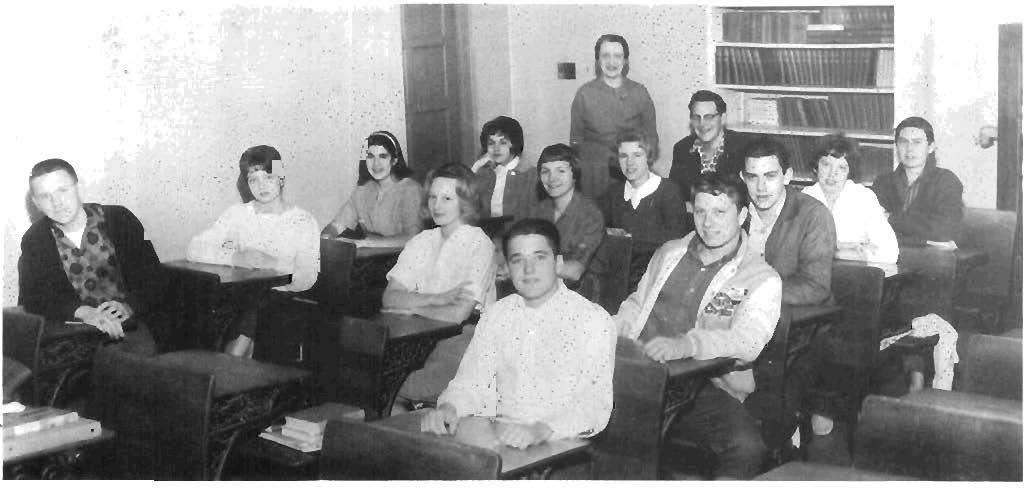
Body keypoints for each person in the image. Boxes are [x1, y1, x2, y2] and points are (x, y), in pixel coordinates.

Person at [613, 172, 781, 479]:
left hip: (701, 384)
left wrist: (688, 344)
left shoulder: (761, 277)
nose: (708, 222)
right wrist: (608, 330)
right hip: (637, 373)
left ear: (742, 215)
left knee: (745, 447)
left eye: (720, 212)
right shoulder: (670, 252)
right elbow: (636, 305)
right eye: (701, 211)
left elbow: (747, 341)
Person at [421, 218, 616, 449]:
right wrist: (448, 408)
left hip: (560, 446)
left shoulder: (592, 320)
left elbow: (594, 406)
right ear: (507, 268)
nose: (528, 269)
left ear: (558, 263)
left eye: (539, 257)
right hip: (500, 439)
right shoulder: (497, 314)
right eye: (517, 260)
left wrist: (540, 430)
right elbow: (470, 383)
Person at [19, 159, 167, 355]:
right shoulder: (35, 240)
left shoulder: (120, 219)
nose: (57, 203)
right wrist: (83, 312)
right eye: (45, 196)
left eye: (62, 190)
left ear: (78, 187)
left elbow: (155, 277)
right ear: (36, 203)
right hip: (77, 337)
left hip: (132, 329)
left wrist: (129, 306)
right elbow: (32, 298)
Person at [187, 145, 320, 357]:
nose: (261, 185)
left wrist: (275, 265)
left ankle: (233, 358)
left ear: (281, 177)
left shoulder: (302, 220)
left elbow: (308, 277)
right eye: (253, 180)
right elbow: (194, 248)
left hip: (282, 300)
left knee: (260, 300)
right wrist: (235, 257)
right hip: (241, 297)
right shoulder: (238, 214)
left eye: (268, 177)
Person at [387, 163, 497, 404]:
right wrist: (436, 299)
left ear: (465, 202)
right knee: (379, 381)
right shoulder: (422, 241)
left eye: (447, 198)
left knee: (398, 387)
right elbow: (389, 298)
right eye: (433, 197)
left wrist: (412, 307)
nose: (437, 205)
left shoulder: (479, 244)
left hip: (464, 339)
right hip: (418, 336)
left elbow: (458, 314)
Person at [740, 137, 836, 305]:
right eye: (753, 177)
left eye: (770, 176)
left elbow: (816, 287)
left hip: (795, 314)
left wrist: (751, 293)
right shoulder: (733, 209)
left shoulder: (814, 215)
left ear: (787, 176)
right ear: (743, 177)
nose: (761, 187)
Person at [570, 34, 658, 198]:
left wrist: (637, 164)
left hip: (633, 170)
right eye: (605, 56)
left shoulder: (639, 92)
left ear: (625, 61)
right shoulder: (584, 94)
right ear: (598, 60)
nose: (612, 62)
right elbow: (576, 141)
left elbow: (652, 138)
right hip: (595, 175)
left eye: (617, 56)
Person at [598, 130, 688, 291]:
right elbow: (597, 232)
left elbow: (675, 241)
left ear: (649, 157)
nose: (630, 162)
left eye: (637, 155)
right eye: (623, 156)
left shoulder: (669, 191)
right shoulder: (613, 193)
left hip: (656, 277)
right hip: (618, 275)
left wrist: (627, 238)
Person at [802, 134, 899, 264]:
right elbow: (791, 247)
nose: (832, 173)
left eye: (841, 168)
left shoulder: (863, 198)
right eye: (826, 164)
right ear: (816, 167)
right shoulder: (805, 197)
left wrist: (836, 253)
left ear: (850, 172)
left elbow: (890, 252)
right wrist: (841, 248)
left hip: (853, 272)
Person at [871, 116, 964, 246]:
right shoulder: (883, 182)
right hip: (890, 253)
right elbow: (871, 227)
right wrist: (923, 237)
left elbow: (943, 230)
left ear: (930, 147)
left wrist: (891, 218)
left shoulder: (946, 181)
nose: (909, 148)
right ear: (896, 146)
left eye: (917, 142)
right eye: (903, 142)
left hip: (933, 256)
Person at [322, 130, 424, 244]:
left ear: (394, 160)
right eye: (370, 156)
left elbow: (412, 237)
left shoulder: (411, 190)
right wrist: (327, 236)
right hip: (372, 253)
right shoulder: (362, 191)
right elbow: (338, 224)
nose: (376, 164)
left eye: (383, 156)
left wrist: (369, 243)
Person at [528, 143, 605, 287]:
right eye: (545, 172)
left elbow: (575, 271)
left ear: (575, 174)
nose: (552, 178)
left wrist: (526, 266)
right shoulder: (539, 211)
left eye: (561, 171)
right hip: (543, 284)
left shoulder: (590, 214)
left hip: (581, 290)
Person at [670, 90, 751, 218]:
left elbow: (747, 198)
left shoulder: (743, 147)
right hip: (693, 222)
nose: (702, 124)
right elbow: (674, 198)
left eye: (709, 117)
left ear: (722, 118)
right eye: (696, 117)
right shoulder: (682, 149)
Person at [471, 116, 538, 222]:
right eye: (491, 143)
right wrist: (475, 168)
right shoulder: (483, 173)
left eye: (503, 142)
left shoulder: (530, 175)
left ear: (514, 144)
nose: (496, 148)